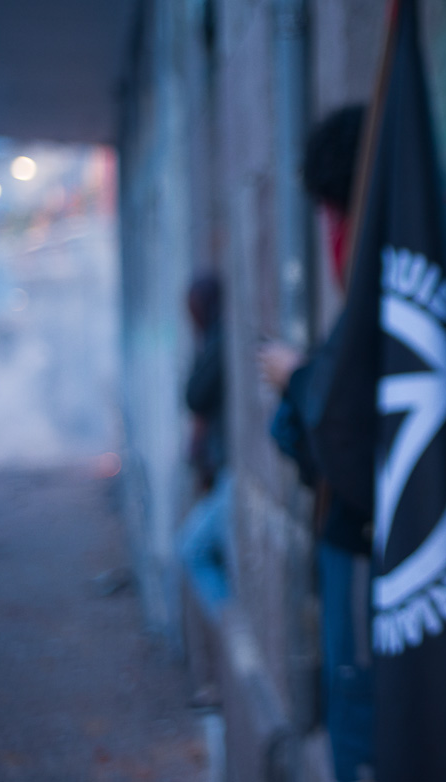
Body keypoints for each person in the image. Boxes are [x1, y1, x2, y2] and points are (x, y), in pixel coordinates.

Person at [259, 104, 375, 782]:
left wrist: (298, 377)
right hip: (355, 537)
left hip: (362, 540)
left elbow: (345, 431)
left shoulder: (383, 278)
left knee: (359, 701)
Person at [177, 273, 232, 707]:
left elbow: (195, 395)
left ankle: (231, 629)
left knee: (192, 548)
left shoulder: (219, 342)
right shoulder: (213, 342)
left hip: (231, 474)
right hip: (221, 473)